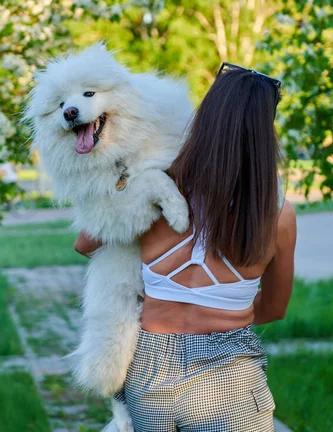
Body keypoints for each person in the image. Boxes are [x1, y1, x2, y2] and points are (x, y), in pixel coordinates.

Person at [75, 62, 297, 432]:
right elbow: (274, 308)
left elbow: (85, 243)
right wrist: (222, 312)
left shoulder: (158, 187)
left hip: (149, 370)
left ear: (203, 120)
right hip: (229, 379)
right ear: (264, 136)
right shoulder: (278, 215)